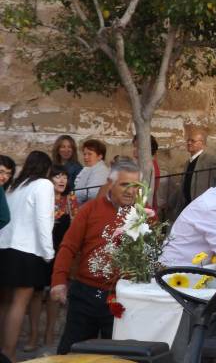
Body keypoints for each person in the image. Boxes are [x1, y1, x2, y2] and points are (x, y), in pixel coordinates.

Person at [50, 160, 141, 354]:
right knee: (71, 353)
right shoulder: (90, 210)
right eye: (125, 184)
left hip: (125, 297)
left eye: (136, 186)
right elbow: (68, 247)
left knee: (118, 356)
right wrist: (58, 280)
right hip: (86, 294)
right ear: (110, 182)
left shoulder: (144, 214)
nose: (131, 191)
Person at [0, 151, 54, 362]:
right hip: (27, 250)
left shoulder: (14, 186)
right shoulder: (43, 185)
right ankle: (9, 353)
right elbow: (43, 221)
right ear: (46, 169)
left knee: (4, 302)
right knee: (19, 303)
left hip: (4, 248)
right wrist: (48, 253)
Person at [25, 165, 79, 351]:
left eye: (64, 176)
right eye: (57, 176)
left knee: (55, 294)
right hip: (39, 252)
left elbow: (76, 224)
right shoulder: (41, 196)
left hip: (61, 253)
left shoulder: (70, 199)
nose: (62, 180)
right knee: (36, 293)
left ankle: (49, 334)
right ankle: (33, 336)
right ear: (49, 179)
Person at [170, 128, 216, 218]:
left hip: (203, 209)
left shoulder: (210, 160)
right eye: (188, 140)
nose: (189, 143)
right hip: (189, 207)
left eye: (193, 141)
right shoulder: (188, 162)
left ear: (201, 143)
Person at [131, 134, 163, 211]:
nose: (134, 149)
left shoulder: (148, 166)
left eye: (138, 147)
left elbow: (147, 191)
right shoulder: (139, 163)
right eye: (134, 146)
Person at [73, 139, 109, 204]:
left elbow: (93, 193)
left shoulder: (101, 170)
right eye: (84, 154)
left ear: (99, 156)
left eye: (90, 154)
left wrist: (76, 194)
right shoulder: (88, 169)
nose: (86, 157)